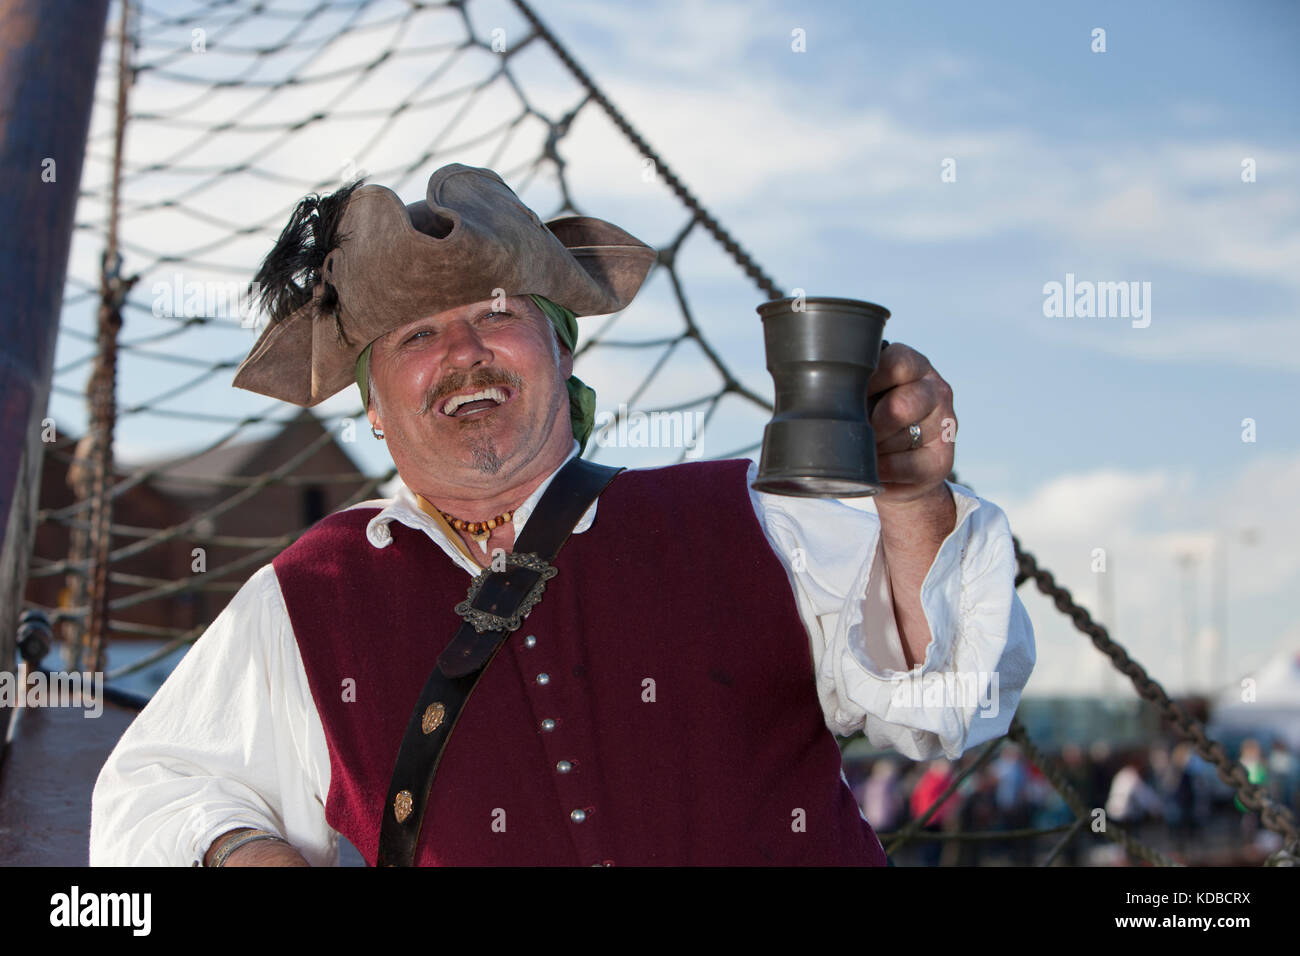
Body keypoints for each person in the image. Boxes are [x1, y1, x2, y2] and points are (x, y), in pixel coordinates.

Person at [89, 163, 1035, 866]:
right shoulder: (306, 597)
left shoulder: (754, 515)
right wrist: (243, 857)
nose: (465, 351)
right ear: (374, 405)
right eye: (417, 335)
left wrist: (910, 500)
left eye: (497, 314)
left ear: (560, 352)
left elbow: (950, 707)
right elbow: (152, 795)